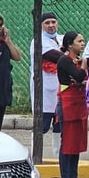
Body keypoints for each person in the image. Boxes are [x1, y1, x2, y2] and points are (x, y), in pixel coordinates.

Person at [54, 32, 89, 178]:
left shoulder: (77, 60)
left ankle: (74, 176)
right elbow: (78, 75)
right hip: (67, 103)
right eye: (79, 41)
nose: (82, 44)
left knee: (77, 141)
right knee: (67, 140)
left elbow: (82, 79)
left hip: (80, 102)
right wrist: (83, 65)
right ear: (70, 44)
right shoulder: (64, 60)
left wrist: (81, 78)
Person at [30, 11, 63, 158]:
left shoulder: (62, 39)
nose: (51, 25)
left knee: (60, 124)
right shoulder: (38, 41)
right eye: (47, 23)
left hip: (61, 87)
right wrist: (69, 53)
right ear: (41, 25)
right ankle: (35, 155)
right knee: (42, 125)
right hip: (44, 89)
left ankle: (58, 156)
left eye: (53, 22)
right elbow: (57, 57)